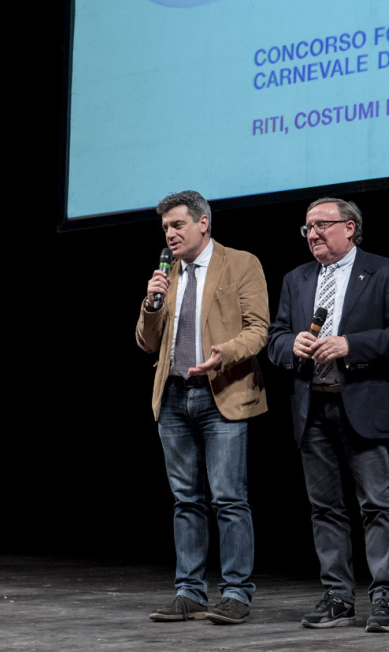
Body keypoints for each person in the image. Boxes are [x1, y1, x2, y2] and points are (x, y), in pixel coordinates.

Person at [267, 197, 389, 633]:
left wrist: (351, 345)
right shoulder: (296, 279)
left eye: (321, 225)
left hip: (363, 404)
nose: (312, 234)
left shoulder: (385, 271)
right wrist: (287, 346)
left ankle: (384, 598)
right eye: (307, 228)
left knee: (377, 505)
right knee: (325, 508)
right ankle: (337, 597)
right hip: (310, 406)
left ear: (349, 228)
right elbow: (275, 335)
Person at [135, 190, 269, 625]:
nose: (170, 235)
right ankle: (189, 591)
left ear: (203, 223)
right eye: (166, 229)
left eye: (177, 225)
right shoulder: (167, 273)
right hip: (174, 395)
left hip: (220, 391)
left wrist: (224, 352)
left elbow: (258, 330)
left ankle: (235, 593)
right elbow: (146, 341)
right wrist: (151, 301)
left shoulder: (240, 263)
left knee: (229, 498)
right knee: (185, 499)